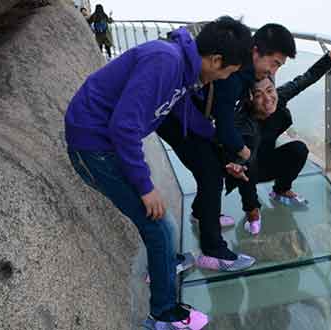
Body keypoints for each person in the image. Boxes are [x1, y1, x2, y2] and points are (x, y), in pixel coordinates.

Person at [65, 17, 252, 330]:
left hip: (103, 143)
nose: (223, 79)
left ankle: (163, 264)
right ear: (216, 60)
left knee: (161, 225)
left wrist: (222, 149)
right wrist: (144, 185)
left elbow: (185, 114)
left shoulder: (181, 69)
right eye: (227, 72)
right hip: (94, 147)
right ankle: (164, 315)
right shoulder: (164, 61)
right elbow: (123, 126)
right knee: (160, 226)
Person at [156, 23, 297, 271]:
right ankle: (213, 250)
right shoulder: (234, 76)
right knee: (210, 171)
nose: (272, 72)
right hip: (176, 118)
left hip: (189, 116)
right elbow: (225, 126)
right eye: (273, 63)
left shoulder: (242, 70)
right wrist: (244, 154)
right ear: (255, 52)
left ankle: (202, 215)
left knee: (211, 169)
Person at [227, 35, 331, 235]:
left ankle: (281, 190)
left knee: (299, 149)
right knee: (248, 163)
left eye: (270, 90)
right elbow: (232, 150)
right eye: (258, 95)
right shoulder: (242, 121)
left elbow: (308, 77)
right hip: (246, 169)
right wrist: (235, 164)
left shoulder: (279, 98)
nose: (267, 98)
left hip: (267, 163)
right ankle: (253, 212)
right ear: (248, 99)